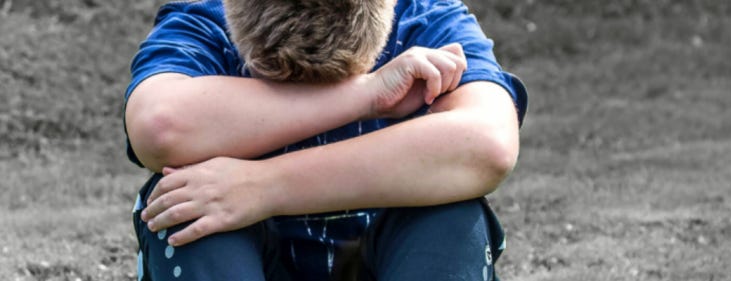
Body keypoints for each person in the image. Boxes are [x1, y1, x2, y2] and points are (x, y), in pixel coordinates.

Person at [123, 0, 528, 280]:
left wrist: (265, 187)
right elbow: (160, 127)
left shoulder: (424, 16)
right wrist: (367, 94)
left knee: (451, 213)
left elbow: (488, 144)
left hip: (386, 258)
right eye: (279, 82)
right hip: (250, 261)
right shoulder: (206, 16)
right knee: (183, 205)